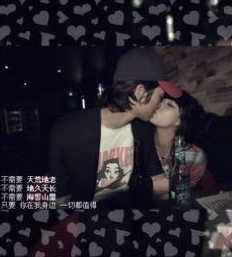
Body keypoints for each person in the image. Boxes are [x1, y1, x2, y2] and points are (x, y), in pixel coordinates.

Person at [48, 47, 182, 207]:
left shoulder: (143, 129)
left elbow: (158, 180)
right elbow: (61, 201)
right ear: (140, 93)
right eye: (160, 97)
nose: (159, 104)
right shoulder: (68, 131)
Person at [146, 91, 211, 200]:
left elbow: (179, 196)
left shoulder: (193, 156)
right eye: (161, 100)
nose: (158, 104)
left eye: (169, 105)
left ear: (179, 121)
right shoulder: (139, 139)